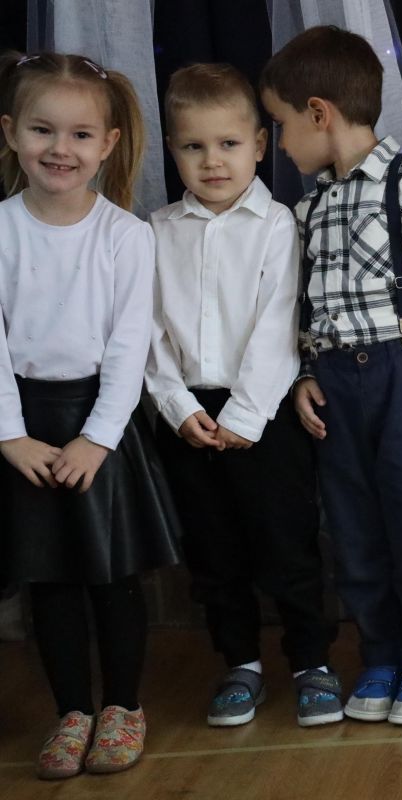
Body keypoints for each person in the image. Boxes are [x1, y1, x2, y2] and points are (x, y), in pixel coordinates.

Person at [260, 26, 402, 726]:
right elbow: (305, 305)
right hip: (337, 382)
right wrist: (305, 371)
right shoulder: (310, 207)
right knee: (354, 528)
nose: (280, 142)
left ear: (319, 113)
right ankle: (381, 654)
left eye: (282, 124)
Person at [0, 51, 180, 778]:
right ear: (10, 133)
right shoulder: (2, 230)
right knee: (49, 581)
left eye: (79, 135)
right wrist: (11, 435)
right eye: (42, 130)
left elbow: (129, 349)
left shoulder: (125, 236)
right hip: (24, 427)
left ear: (107, 144)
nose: (60, 149)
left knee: (112, 578)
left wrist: (97, 440)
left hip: (102, 426)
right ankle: (72, 710)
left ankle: (123, 707)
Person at [146, 63, 340, 728]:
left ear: (259, 145)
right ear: (171, 151)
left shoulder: (277, 225)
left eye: (228, 144)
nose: (212, 161)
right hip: (188, 418)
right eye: (193, 146)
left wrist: (246, 415)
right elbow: (147, 334)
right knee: (214, 550)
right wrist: (178, 407)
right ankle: (240, 663)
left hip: (265, 411)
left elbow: (280, 324)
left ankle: (311, 662)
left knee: (287, 542)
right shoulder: (156, 231)